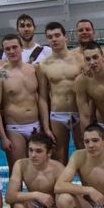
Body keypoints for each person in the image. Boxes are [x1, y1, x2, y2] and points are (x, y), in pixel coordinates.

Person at [0, 33, 48, 170]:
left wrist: (45, 127)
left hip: (36, 126)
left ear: (22, 48)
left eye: (14, 47)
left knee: (38, 170)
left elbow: (43, 99)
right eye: (7, 49)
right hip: (15, 129)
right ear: (3, 51)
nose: (11, 51)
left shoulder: (35, 69)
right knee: (16, 170)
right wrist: (3, 137)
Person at [37, 22, 84, 164]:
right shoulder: (43, 65)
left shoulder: (80, 60)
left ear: (66, 37)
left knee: (83, 156)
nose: (54, 39)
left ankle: (87, 187)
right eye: (50, 37)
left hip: (79, 114)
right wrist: (46, 127)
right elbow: (43, 98)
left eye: (57, 35)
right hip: (57, 116)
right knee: (58, 159)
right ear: (47, 41)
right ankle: (61, 187)